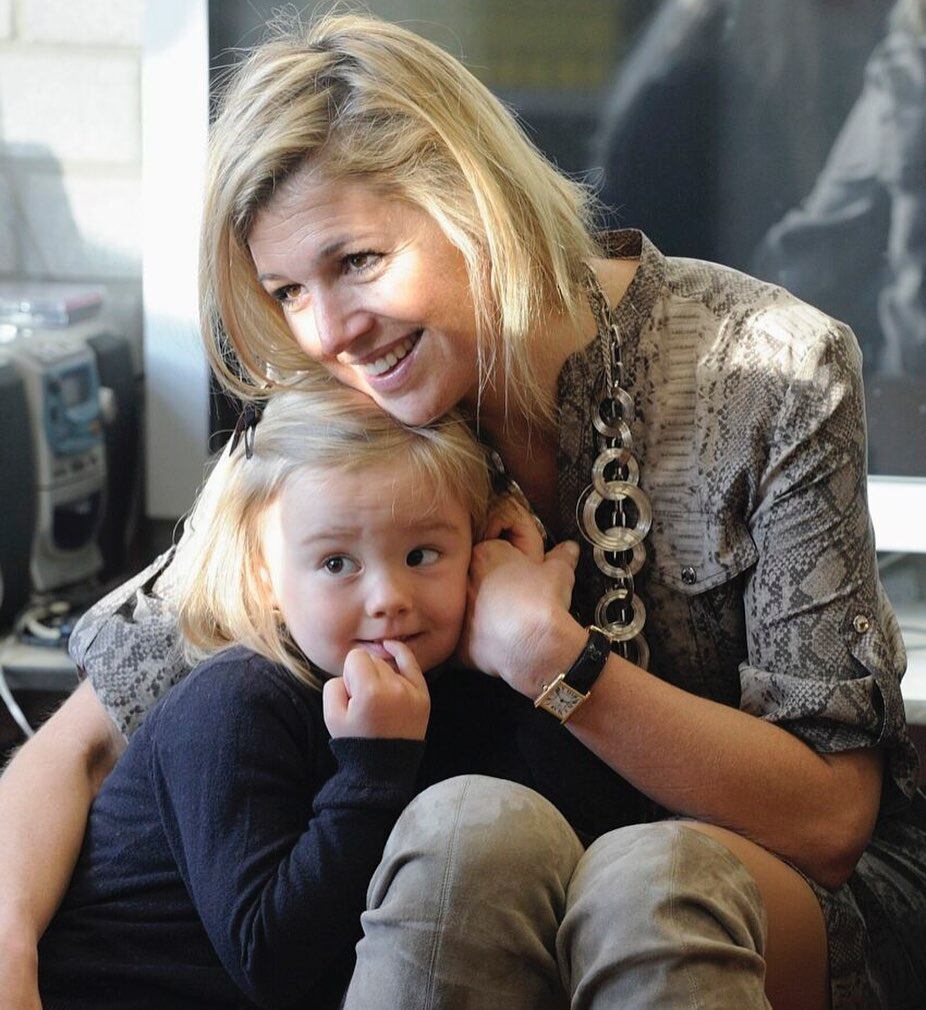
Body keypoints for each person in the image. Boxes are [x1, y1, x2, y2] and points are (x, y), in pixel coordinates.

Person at [2, 11, 924, 1010]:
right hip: (491, 873)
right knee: (465, 845)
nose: (330, 331)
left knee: (642, 887)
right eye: (288, 290)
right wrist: (7, 948)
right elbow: (85, 738)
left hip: (767, 888)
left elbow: (829, 820)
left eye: (357, 261)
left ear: (471, 199)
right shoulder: (356, 409)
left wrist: (548, 659)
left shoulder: (769, 370)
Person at [37, 382, 500, 1008]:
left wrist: (523, 646)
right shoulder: (233, 703)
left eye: (422, 555)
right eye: (337, 563)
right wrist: (373, 768)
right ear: (265, 577)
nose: (389, 597)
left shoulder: (444, 688)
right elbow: (271, 964)